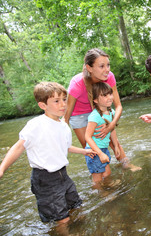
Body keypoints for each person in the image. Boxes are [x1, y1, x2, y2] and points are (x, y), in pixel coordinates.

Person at [0, 82, 94, 225]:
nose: (63, 104)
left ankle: (78, 229)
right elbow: (19, 147)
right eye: (56, 101)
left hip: (63, 175)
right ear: (43, 105)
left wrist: (85, 151)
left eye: (64, 99)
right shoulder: (36, 125)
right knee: (61, 218)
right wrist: (2, 168)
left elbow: (65, 147)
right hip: (44, 178)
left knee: (76, 206)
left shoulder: (63, 126)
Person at [64, 48, 135, 170]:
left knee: (113, 140)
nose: (107, 69)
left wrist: (111, 125)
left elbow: (118, 106)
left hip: (99, 109)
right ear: (89, 68)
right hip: (79, 115)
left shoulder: (110, 77)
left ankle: (127, 164)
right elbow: (66, 116)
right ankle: (102, 176)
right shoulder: (77, 84)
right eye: (102, 66)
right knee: (91, 148)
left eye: (108, 65)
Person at [85, 82, 141, 183]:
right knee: (97, 178)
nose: (110, 97)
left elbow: (112, 130)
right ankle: (102, 194)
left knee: (107, 174)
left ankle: (106, 188)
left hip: (103, 149)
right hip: (94, 151)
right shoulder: (94, 116)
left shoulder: (111, 112)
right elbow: (87, 137)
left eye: (110, 94)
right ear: (96, 100)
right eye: (105, 95)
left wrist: (115, 146)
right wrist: (100, 153)